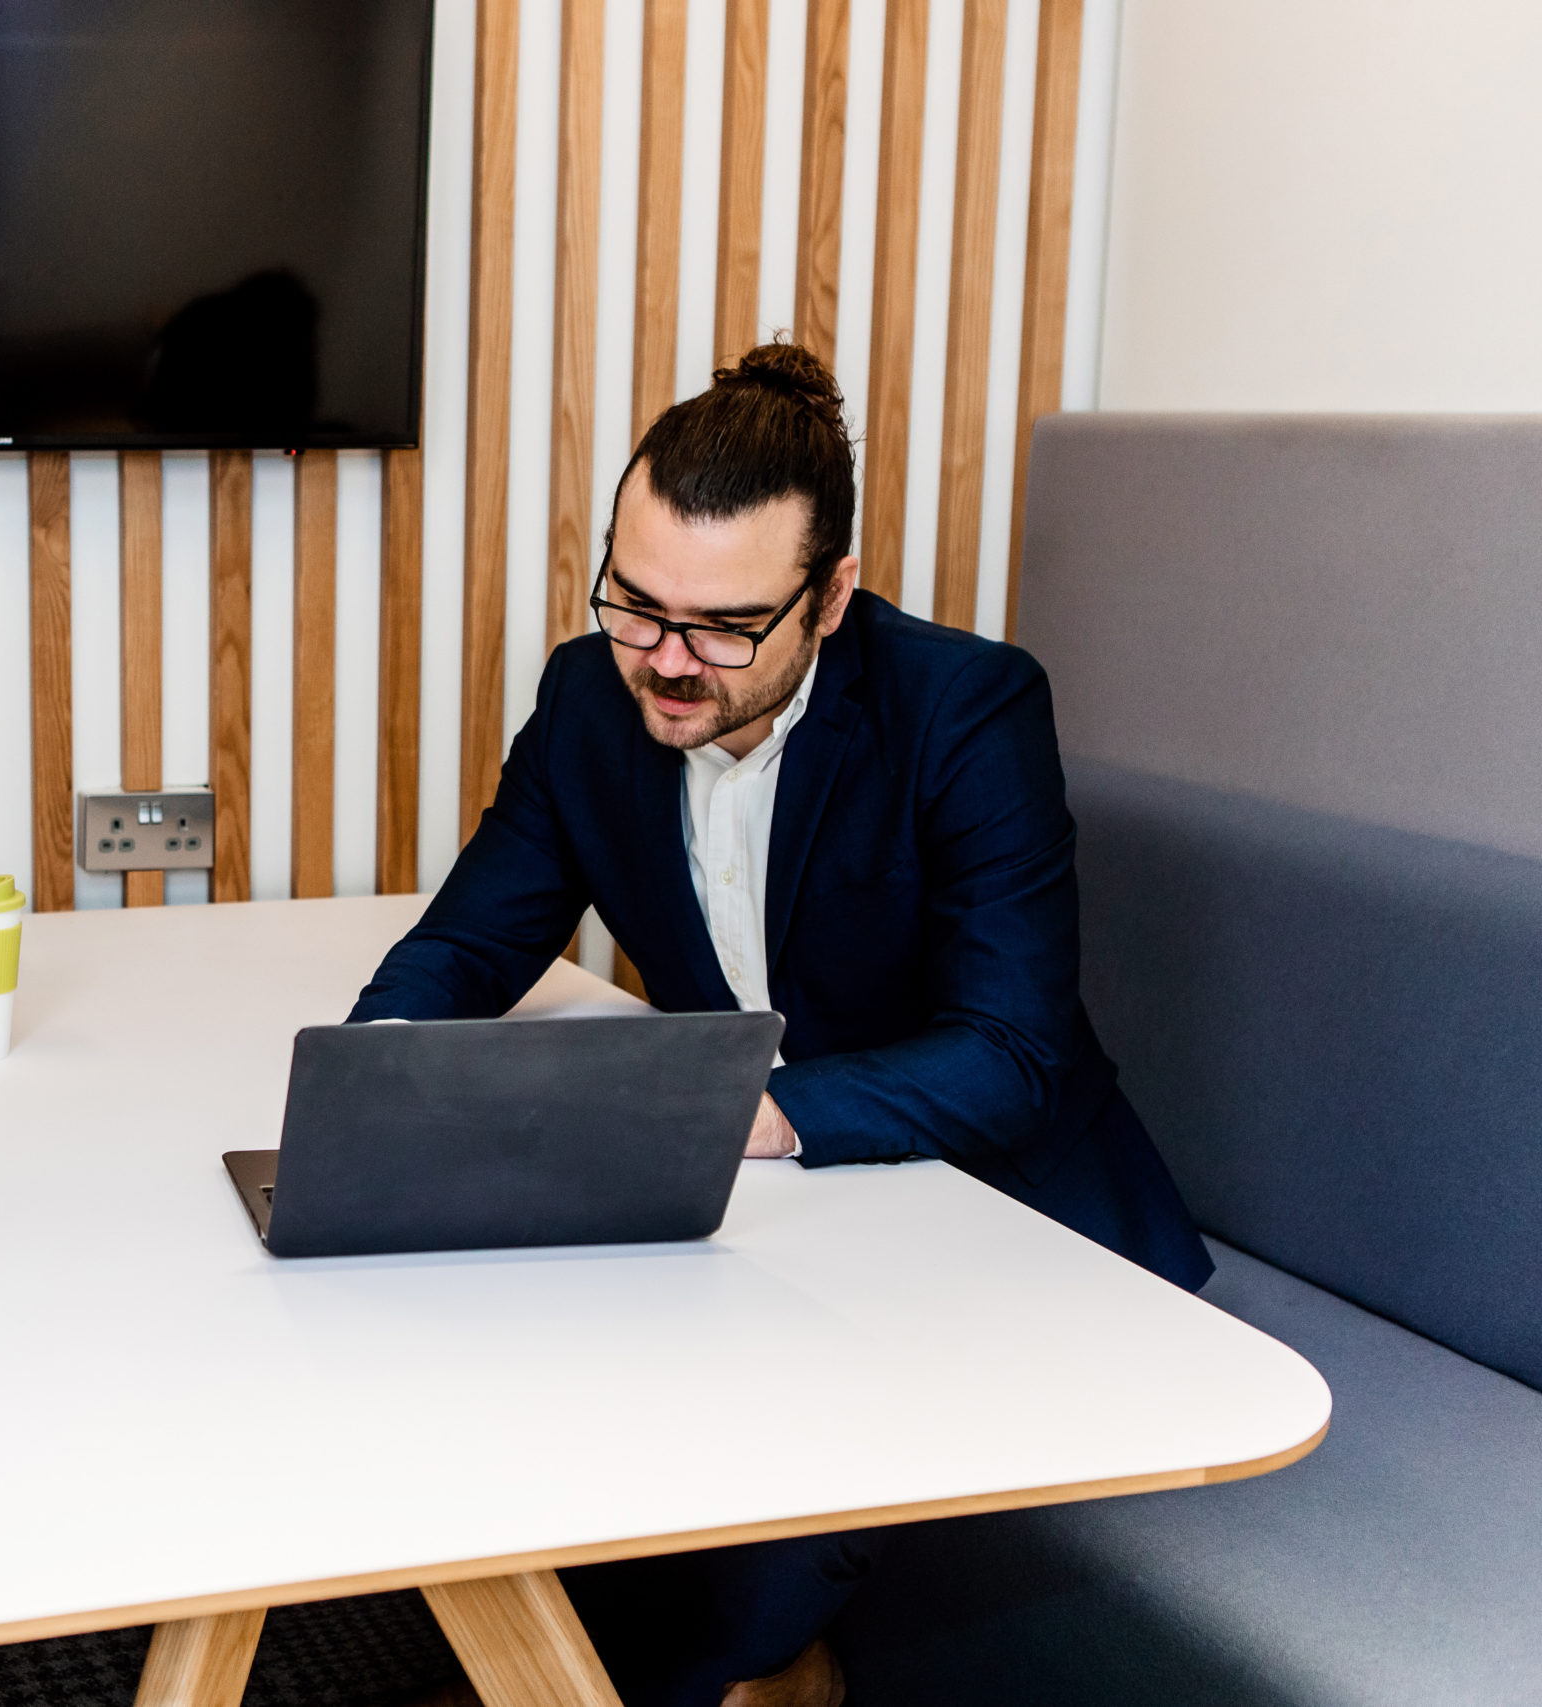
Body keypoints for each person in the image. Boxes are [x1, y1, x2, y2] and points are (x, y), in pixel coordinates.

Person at [347, 342, 1211, 1707]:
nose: (668, 664)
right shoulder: (590, 693)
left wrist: (719, 1116)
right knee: (519, 1421)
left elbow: (1017, 1055)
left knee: (725, 1557)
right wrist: (372, 1077)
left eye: (725, 627)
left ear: (834, 598)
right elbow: (471, 938)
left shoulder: (966, 710)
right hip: (774, 1225)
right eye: (637, 606)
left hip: (1005, 1222)